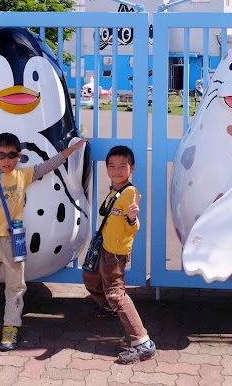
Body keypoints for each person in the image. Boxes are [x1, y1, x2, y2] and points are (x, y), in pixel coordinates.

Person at [0, 132, 88, 354]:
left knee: (15, 287)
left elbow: (49, 165)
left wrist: (71, 150)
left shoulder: (24, 175)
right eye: (1, 155)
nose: (6, 160)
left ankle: (11, 327)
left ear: (19, 156)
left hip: (15, 240)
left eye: (12, 155)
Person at [82, 145, 157, 364]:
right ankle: (108, 306)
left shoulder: (129, 192)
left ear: (131, 168)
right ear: (107, 169)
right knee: (91, 277)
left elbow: (132, 225)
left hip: (116, 252)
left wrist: (132, 218)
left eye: (122, 166)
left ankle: (143, 343)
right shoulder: (114, 190)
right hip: (105, 247)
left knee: (116, 293)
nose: (117, 170)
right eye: (112, 166)